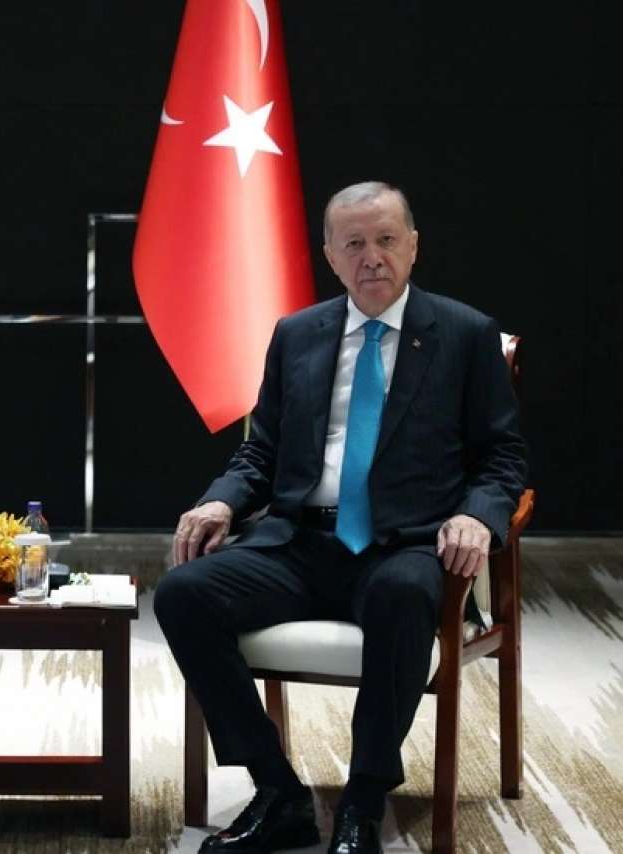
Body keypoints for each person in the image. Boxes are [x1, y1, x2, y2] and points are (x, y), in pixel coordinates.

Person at [153, 182, 526, 854]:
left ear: (414, 246)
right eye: (354, 243)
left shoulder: (465, 334)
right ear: (330, 255)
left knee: (402, 594)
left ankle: (363, 801)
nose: (371, 256)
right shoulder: (297, 334)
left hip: (404, 545)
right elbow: (261, 451)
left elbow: (503, 456)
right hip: (299, 543)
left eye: (386, 239)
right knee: (183, 593)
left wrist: (478, 516)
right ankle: (277, 792)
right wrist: (220, 500)